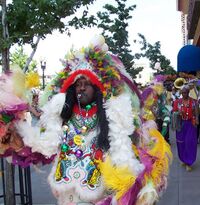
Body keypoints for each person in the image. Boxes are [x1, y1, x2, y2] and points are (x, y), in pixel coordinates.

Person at [13, 37, 172, 205]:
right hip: (67, 192)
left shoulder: (111, 115)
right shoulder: (61, 115)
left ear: (96, 88)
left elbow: (123, 151)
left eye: (86, 84)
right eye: (78, 84)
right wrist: (18, 135)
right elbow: (45, 145)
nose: (81, 87)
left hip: (99, 191)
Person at [173, 85, 199, 172]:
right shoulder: (177, 102)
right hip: (180, 125)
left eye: (186, 92)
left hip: (190, 124)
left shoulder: (193, 101)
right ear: (181, 93)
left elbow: (196, 110)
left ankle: (189, 162)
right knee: (181, 143)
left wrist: (197, 119)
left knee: (190, 142)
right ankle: (183, 159)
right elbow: (174, 112)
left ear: (188, 92)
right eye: (183, 93)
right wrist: (178, 112)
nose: (184, 94)